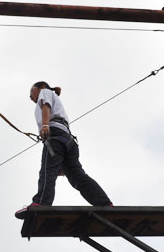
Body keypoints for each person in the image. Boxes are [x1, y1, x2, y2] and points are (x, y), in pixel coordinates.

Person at [16, 81, 112, 216]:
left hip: (55, 136)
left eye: (32, 91)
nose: (30, 96)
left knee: (47, 171)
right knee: (78, 177)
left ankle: (41, 203)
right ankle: (104, 203)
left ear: (41, 87)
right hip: (68, 140)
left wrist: (45, 125)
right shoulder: (55, 99)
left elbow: (46, 106)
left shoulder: (45, 92)